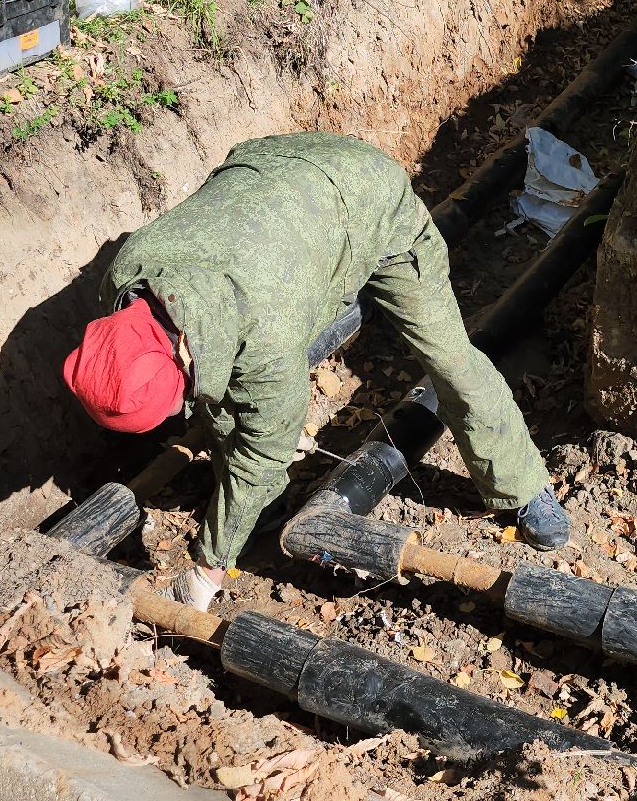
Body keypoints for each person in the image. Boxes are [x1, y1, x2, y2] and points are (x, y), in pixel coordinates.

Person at [61, 132, 571, 610]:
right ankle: (259, 510)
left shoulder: (265, 336)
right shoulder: (127, 275)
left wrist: (209, 566)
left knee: (450, 360)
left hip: (366, 197)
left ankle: (523, 484)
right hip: (273, 187)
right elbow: (216, 398)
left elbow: (263, 450)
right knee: (224, 404)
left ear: (183, 354)